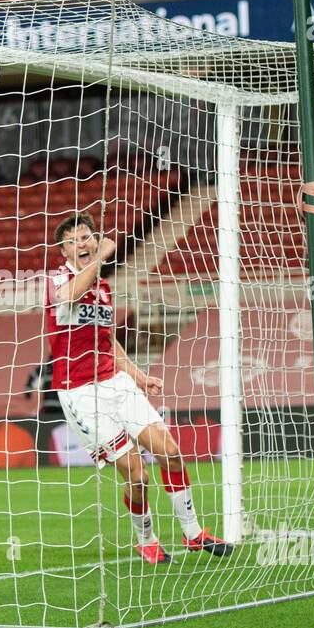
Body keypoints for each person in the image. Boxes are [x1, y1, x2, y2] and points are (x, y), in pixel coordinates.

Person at [45, 212, 231, 564]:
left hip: (115, 382)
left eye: (87, 236)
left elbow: (108, 340)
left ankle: (193, 533)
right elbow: (69, 296)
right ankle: (145, 538)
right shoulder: (55, 280)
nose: (82, 243)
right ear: (64, 252)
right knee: (137, 473)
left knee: (170, 450)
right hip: (81, 394)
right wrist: (101, 257)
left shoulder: (103, 288)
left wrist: (138, 375)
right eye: (73, 240)